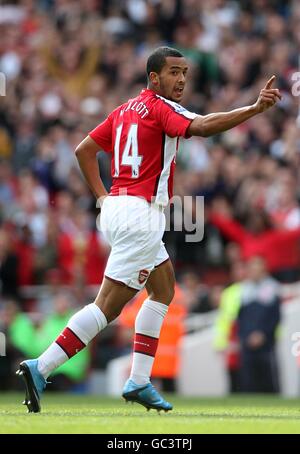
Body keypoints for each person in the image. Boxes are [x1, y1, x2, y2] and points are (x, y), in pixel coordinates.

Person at [17, 46, 281, 413]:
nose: (182, 79)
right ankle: (40, 366)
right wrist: (253, 109)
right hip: (141, 215)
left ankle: (139, 380)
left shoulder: (124, 110)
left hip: (120, 210)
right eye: (174, 72)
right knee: (107, 308)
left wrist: (102, 197)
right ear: (154, 77)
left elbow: (84, 150)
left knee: (163, 289)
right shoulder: (162, 108)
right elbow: (202, 126)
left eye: (185, 72)